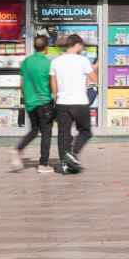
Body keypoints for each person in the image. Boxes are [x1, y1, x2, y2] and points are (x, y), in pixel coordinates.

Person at [49, 34, 94, 174]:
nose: (82, 48)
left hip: (62, 103)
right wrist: (95, 68)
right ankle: (72, 153)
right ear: (77, 45)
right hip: (80, 102)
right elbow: (93, 78)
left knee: (63, 134)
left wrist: (56, 96)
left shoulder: (56, 61)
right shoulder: (83, 60)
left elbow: (53, 81)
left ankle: (64, 164)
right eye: (81, 46)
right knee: (86, 131)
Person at [12, 34, 55, 172]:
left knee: (34, 130)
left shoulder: (26, 62)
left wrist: (27, 98)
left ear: (34, 47)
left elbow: (22, 84)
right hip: (44, 102)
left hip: (30, 103)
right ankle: (43, 164)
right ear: (46, 48)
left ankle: (18, 148)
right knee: (46, 133)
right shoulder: (48, 63)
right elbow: (51, 84)